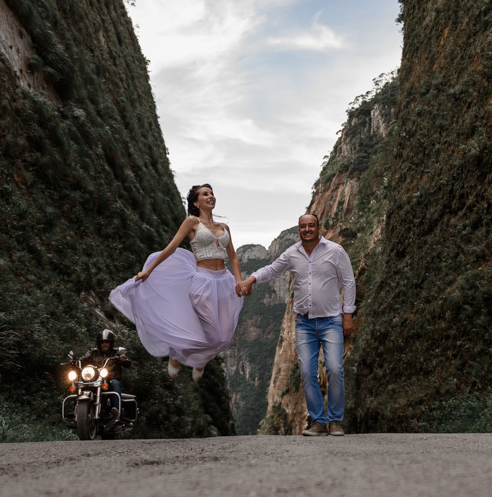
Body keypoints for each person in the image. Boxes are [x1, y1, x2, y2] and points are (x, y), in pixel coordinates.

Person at [109, 183, 245, 382]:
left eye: (212, 193)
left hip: (224, 282)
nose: (211, 196)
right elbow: (171, 247)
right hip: (202, 282)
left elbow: (232, 257)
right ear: (196, 202)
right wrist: (149, 270)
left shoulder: (224, 228)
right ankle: (178, 354)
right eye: (205, 194)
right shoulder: (192, 222)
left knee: (224, 340)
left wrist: (239, 282)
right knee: (214, 337)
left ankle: (199, 360)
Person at [236, 213, 354, 436]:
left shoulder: (335, 251)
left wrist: (348, 315)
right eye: (303, 226)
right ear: (299, 229)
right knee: (308, 374)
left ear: (319, 228)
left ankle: (336, 421)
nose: (307, 229)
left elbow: (348, 282)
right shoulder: (292, 253)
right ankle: (319, 422)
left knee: (335, 370)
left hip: (331, 321)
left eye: (311, 226)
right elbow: (271, 270)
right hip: (304, 323)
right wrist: (251, 279)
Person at [76, 329, 130, 394]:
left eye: (107, 342)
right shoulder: (93, 352)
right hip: (95, 379)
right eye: (102, 342)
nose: (104, 344)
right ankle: (77, 403)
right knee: (79, 384)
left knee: (115, 383)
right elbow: (84, 358)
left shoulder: (116, 352)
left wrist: (123, 359)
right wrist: (75, 361)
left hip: (110, 379)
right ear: (99, 343)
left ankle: (117, 404)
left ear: (111, 343)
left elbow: (128, 363)